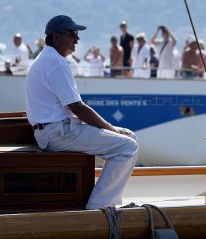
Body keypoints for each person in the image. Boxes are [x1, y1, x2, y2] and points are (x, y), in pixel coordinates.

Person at [25, 15, 139, 210]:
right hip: (58, 132)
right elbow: (77, 107)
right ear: (56, 37)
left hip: (53, 130)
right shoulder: (56, 63)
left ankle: (105, 200)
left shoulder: (46, 59)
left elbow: (74, 108)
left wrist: (111, 131)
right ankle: (98, 208)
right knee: (127, 147)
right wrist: (111, 129)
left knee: (129, 136)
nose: (77, 39)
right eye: (72, 33)